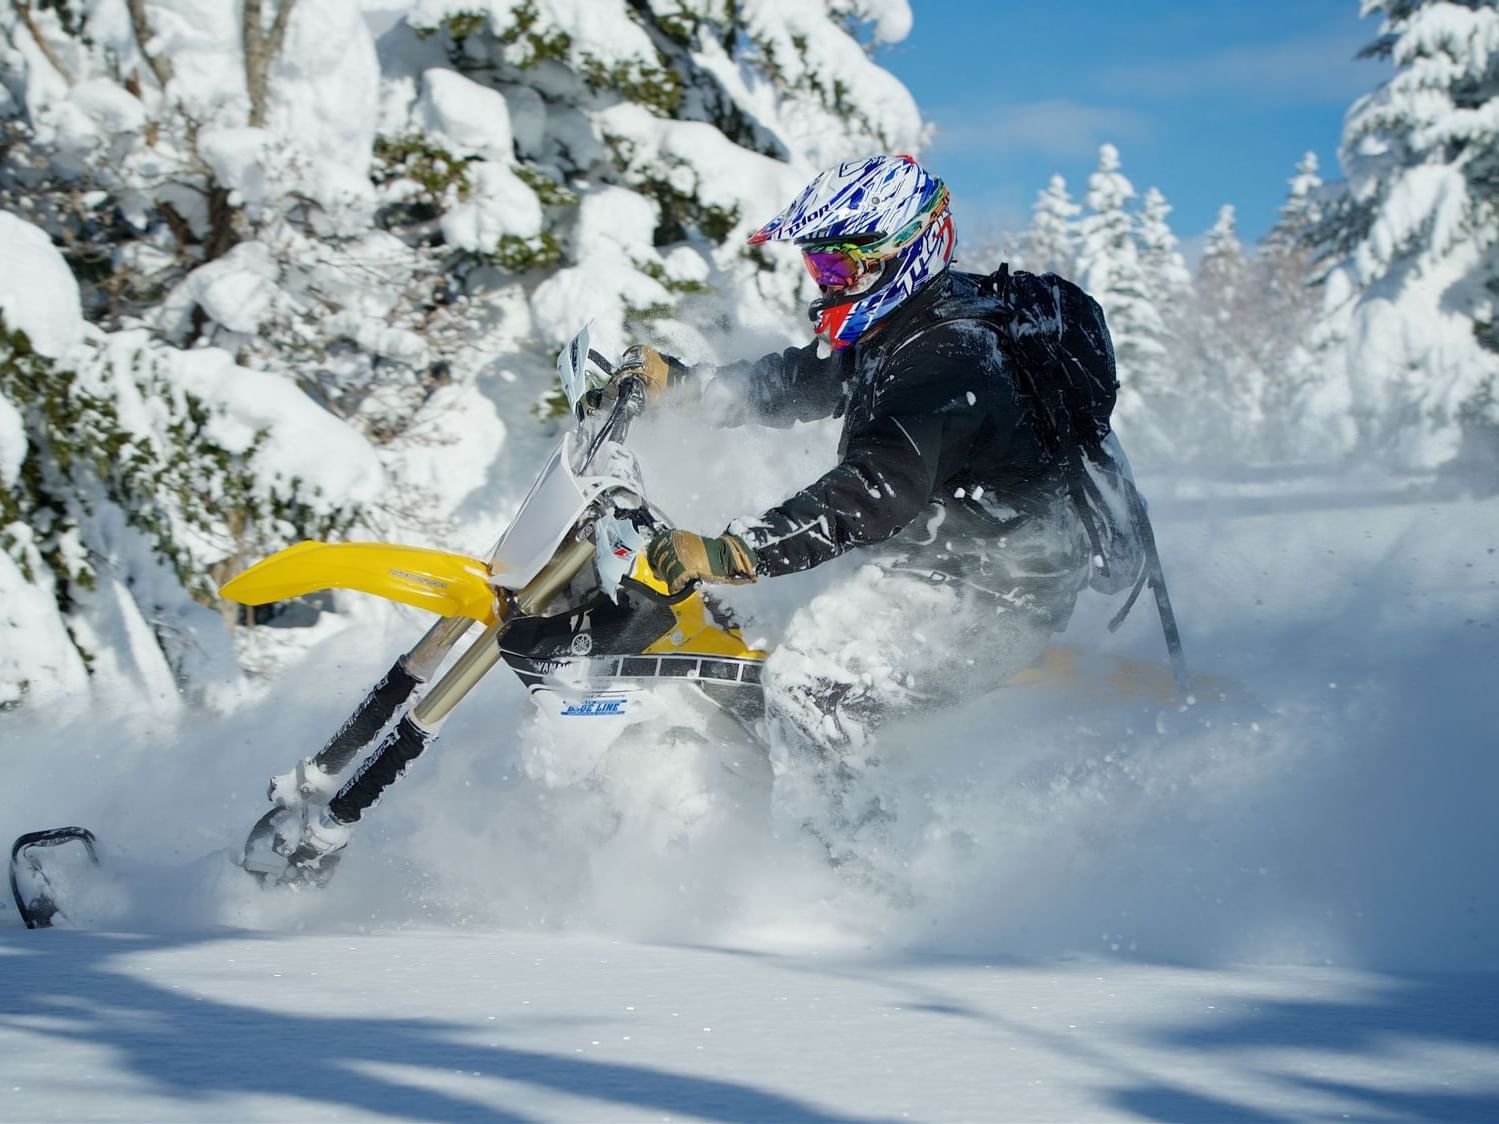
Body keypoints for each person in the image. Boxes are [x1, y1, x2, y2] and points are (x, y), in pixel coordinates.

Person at [618, 154, 1134, 862]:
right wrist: (690, 388)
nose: (825, 285)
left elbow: (875, 487)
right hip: (941, 562)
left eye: (838, 269)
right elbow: (807, 376)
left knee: (811, 684)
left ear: (901, 254)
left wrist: (741, 550)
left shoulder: (948, 356)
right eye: (818, 268)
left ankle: (849, 878)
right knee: (749, 633)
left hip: (990, 591)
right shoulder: (915, 317)